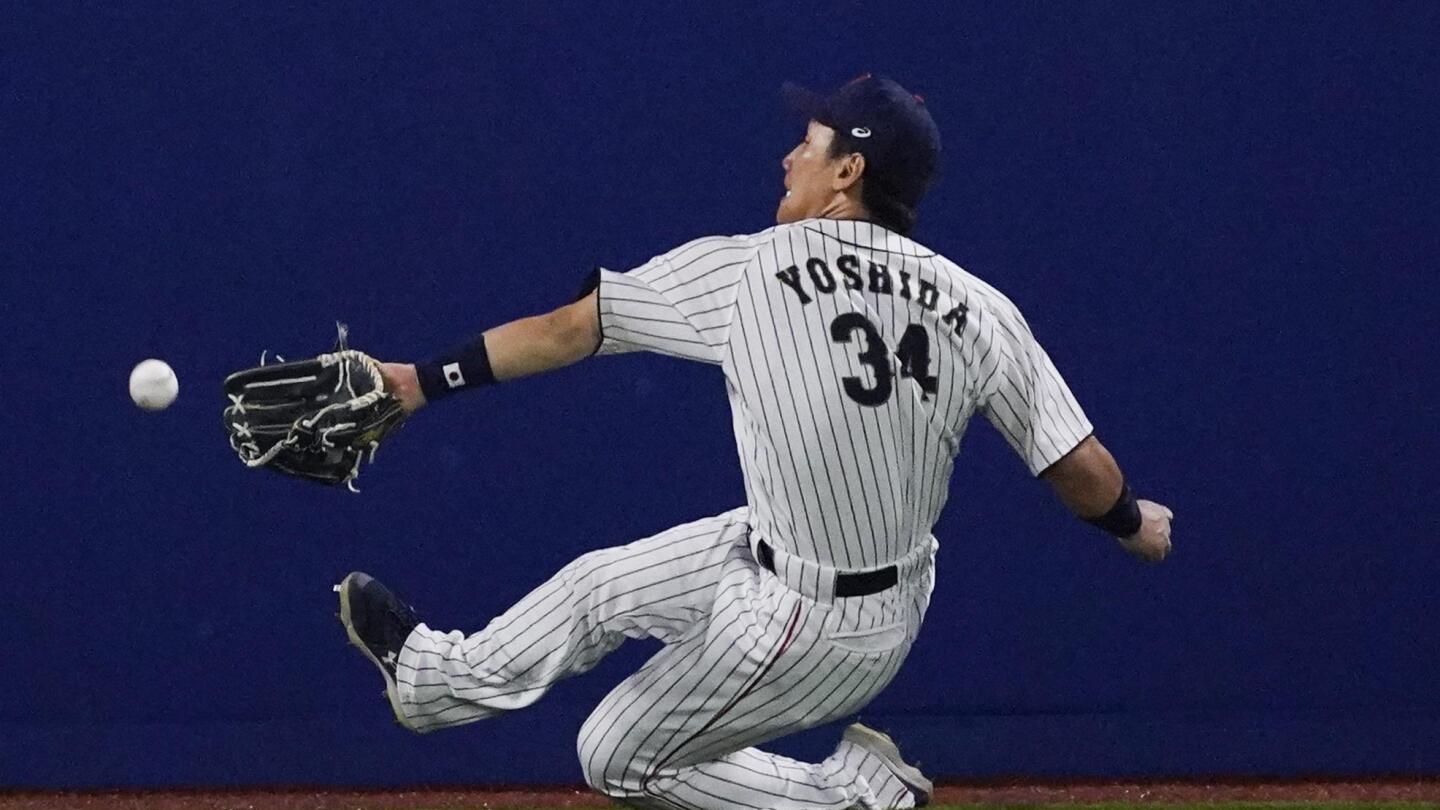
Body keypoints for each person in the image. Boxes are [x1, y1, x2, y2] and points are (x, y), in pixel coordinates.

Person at [336, 74, 1174, 810]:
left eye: (808, 144)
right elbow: (1079, 468)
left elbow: (565, 331)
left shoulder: (752, 272)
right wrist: (1132, 525)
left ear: (850, 173)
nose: (788, 159)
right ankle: (432, 683)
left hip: (816, 625)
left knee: (615, 756)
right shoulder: (980, 308)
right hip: (818, 566)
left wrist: (418, 381)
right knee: (595, 588)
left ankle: (852, 799)